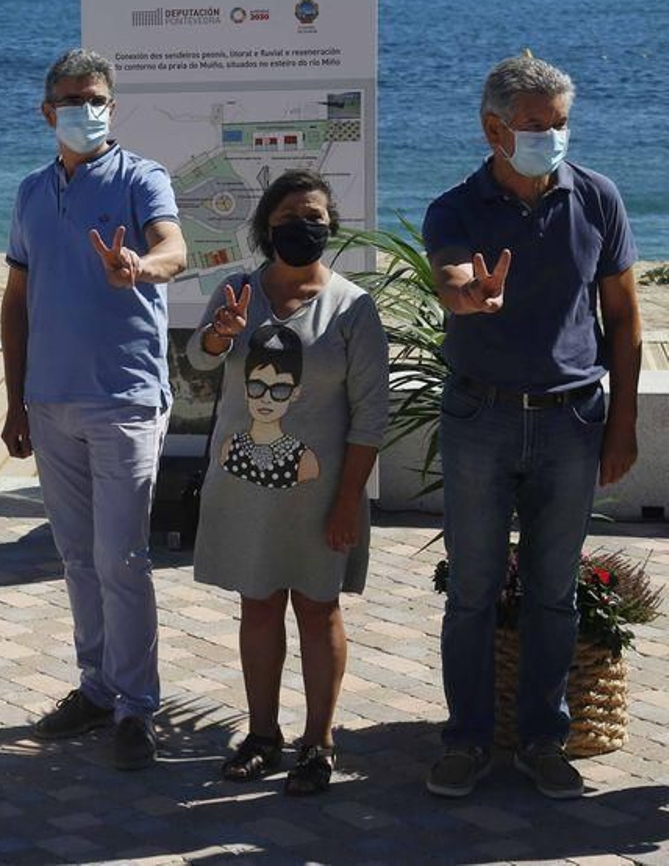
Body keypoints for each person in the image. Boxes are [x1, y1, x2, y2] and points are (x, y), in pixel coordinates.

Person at [423, 55, 639, 801]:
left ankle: (545, 740)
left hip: (572, 420)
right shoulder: (455, 207)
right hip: (479, 416)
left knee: (554, 592)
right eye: (536, 125)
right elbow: (450, 278)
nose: (552, 136)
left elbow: (625, 316)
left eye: (559, 124)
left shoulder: (599, 199)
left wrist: (625, 424)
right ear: (494, 128)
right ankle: (468, 740)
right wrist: (471, 296)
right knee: (473, 591)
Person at [1, 48, 187, 769]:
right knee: (77, 557)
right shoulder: (28, 192)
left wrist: (140, 265)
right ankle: (97, 685)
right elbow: (16, 300)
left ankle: (137, 706)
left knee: (123, 557)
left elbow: (173, 246)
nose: (88, 110)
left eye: (99, 98)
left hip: (125, 397)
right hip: (50, 401)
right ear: (48, 111)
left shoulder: (142, 177)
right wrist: (16, 398)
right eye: (74, 100)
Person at [187, 170, 388, 795]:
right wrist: (221, 332)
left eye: (317, 218)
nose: (305, 227)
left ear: (330, 229)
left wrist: (348, 501)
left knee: (319, 609)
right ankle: (263, 734)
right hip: (245, 487)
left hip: (323, 493)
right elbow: (199, 360)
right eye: (292, 217)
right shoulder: (237, 290)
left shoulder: (353, 306)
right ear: (267, 226)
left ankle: (319, 741)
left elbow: (371, 414)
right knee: (259, 604)